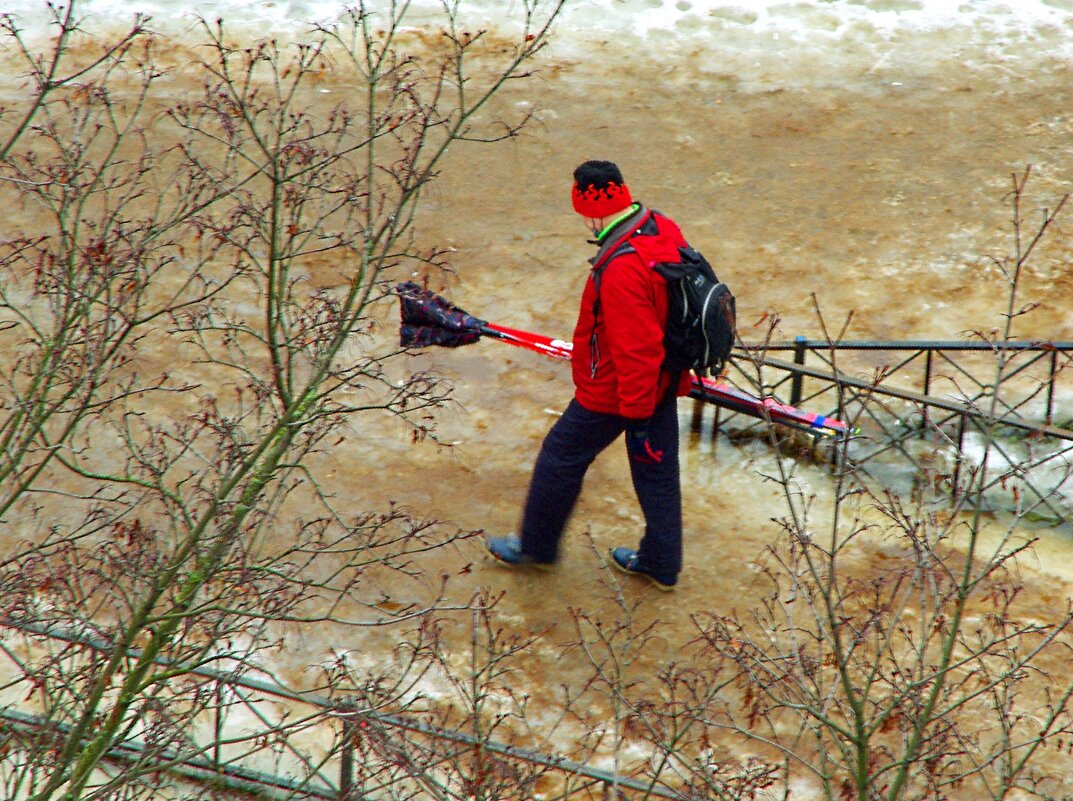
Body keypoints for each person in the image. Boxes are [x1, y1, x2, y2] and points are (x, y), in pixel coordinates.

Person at [486, 160, 694, 590]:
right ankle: (661, 563)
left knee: (560, 457)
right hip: (664, 379)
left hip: (619, 391)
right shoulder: (658, 226)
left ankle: (536, 549)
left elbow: (637, 348)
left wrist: (636, 413)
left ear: (583, 202)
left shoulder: (620, 268)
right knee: (658, 474)